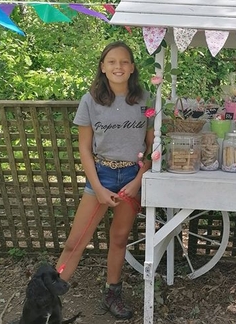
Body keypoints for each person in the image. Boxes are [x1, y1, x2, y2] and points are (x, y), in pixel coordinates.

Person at [56, 41, 154, 319]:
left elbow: (153, 147)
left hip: (131, 178)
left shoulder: (145, 100)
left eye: (124, 62)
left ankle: (112, 294)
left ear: (132, 67)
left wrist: (138, 180)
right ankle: (45, 299)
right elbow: (84, 148)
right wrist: (98, 188)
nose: (118, 67)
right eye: (112, 62)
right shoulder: (91, 101)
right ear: (102, 67)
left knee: (120, 238)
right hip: (102, 175)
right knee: (75, 241)